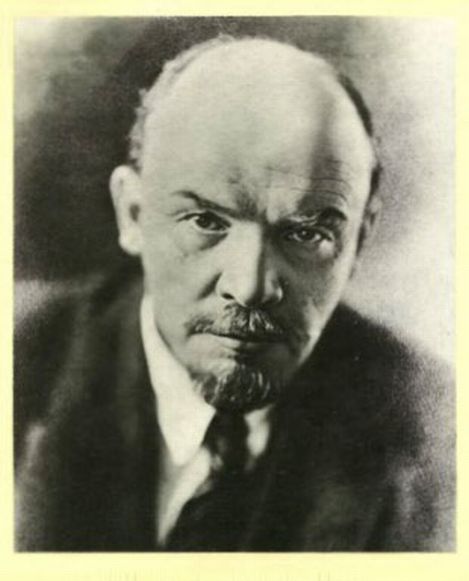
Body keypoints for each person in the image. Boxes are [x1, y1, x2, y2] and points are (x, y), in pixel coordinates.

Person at [14, 35, 455, 552]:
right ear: (132, 214)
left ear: (360, 237)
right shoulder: (20, 361)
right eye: (205, 221)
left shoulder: (438, 428)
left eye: (307, 233)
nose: (249, 287)